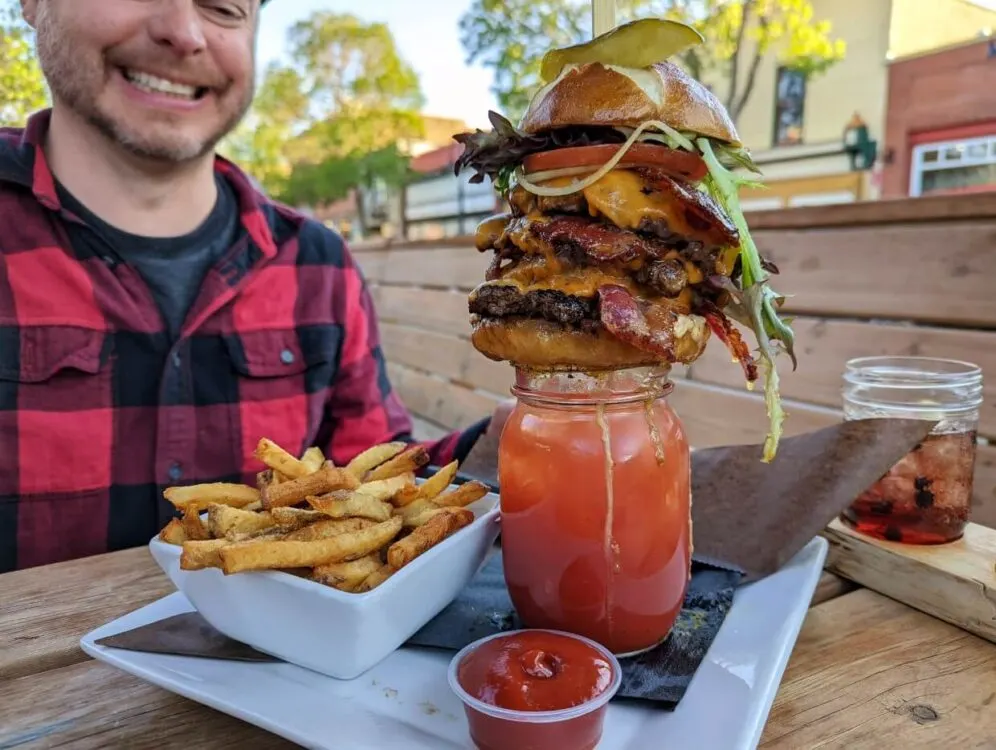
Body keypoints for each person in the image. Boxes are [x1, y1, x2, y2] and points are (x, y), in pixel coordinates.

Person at [0, 0, 510, 573]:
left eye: (223, 7)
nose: (183, 32)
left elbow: (373, 482)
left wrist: (496, 446)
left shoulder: (319, 265)